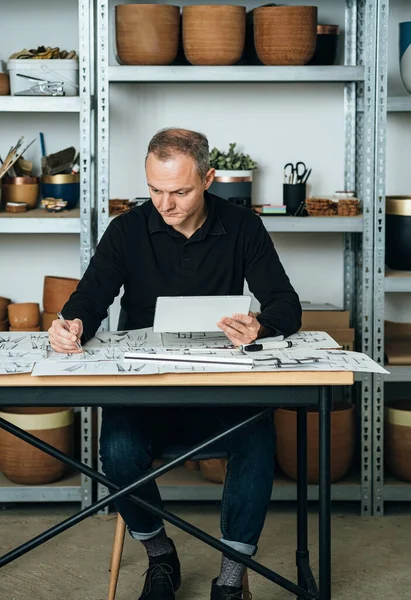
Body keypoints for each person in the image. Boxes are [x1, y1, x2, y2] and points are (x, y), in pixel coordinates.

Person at [48, 128, 302, 600]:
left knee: (257, 436)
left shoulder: (243, 226)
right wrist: (71, 324)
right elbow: (90, 297)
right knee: (118, 450)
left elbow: (287, 305)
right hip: (146, 388)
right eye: (155, 190)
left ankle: (230, 579)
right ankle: (161, 555)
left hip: (221, 388)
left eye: (180, 192)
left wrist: (260, 326)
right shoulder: (127, 229)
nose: (165, 204)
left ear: (208, 179)